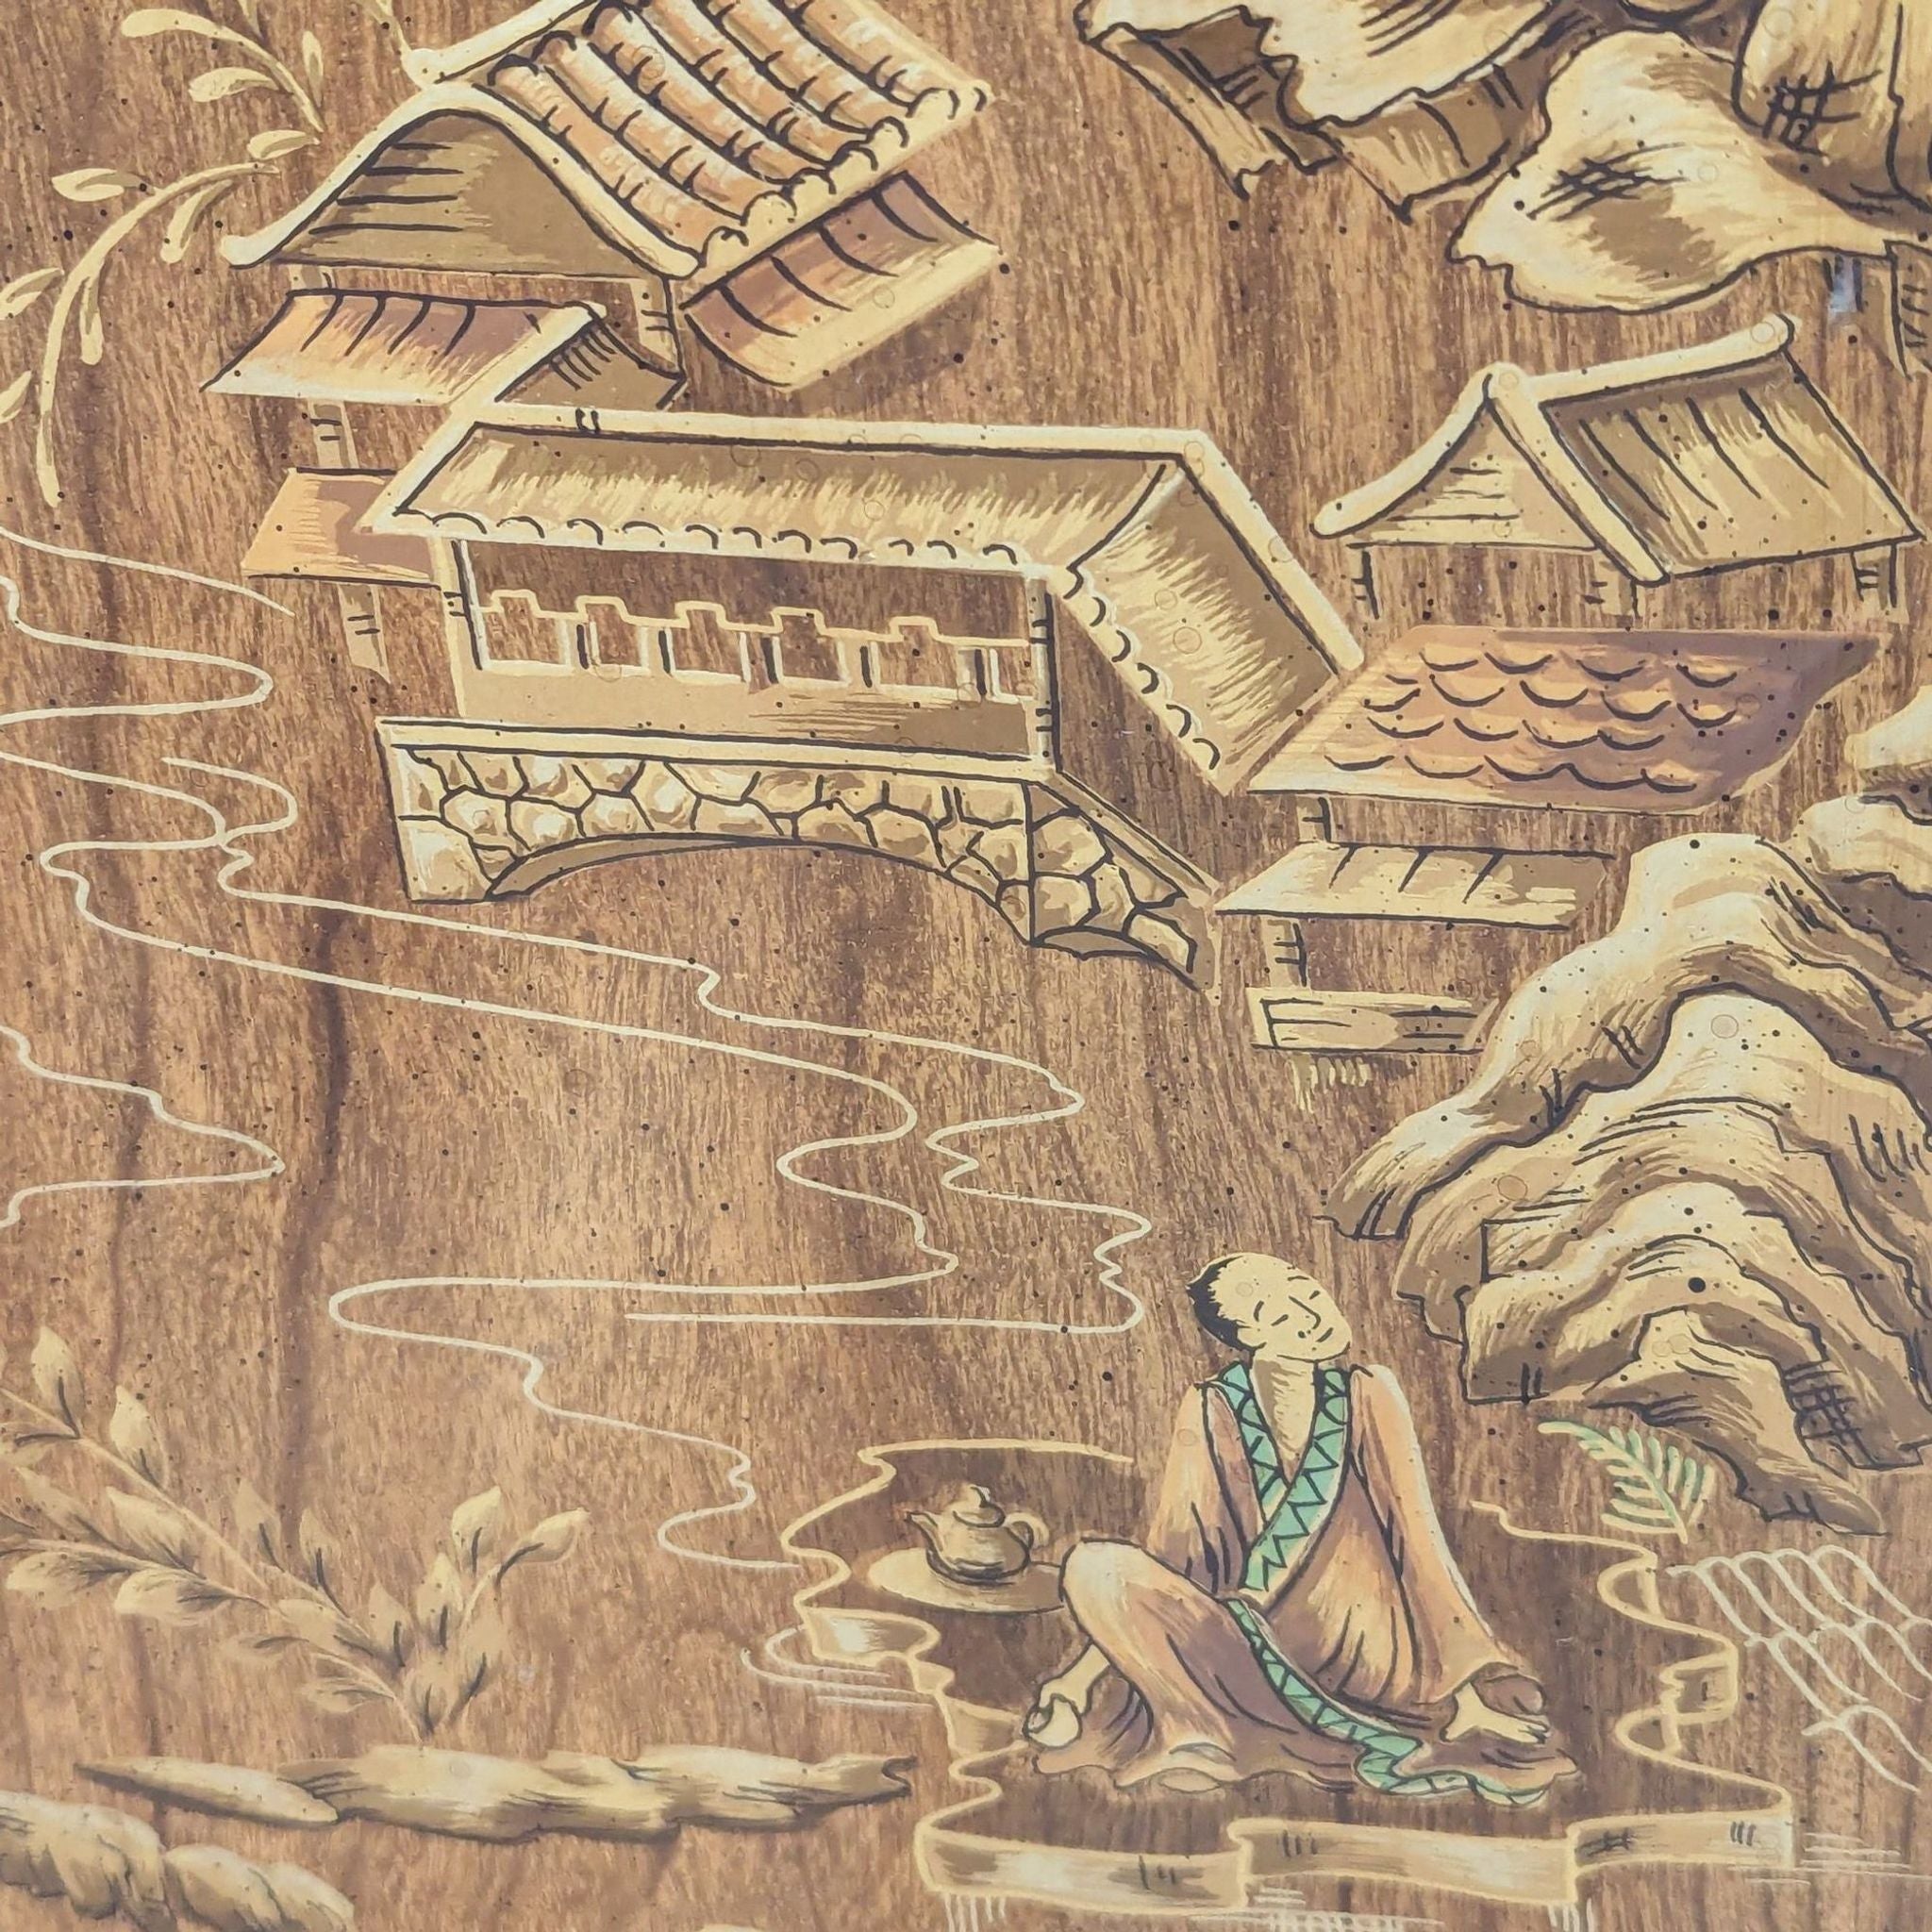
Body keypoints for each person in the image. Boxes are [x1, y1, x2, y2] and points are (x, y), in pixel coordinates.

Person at [1023, 1254, 1576, 1802]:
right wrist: (1077, 1681)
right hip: (1248, 1644)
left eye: (1306, 1291)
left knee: (1354, 1589)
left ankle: (1230, 1724)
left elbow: (1417, 1542)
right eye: (1278, 1311)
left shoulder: (1367, 1393)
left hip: (1368, 1654)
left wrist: (1463, 1693)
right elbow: (1181, 1558)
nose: (1310, 1312)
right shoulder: (1213, 1406)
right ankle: (1204, 1732)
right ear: (1248, 1335)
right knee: (1094, 1566)